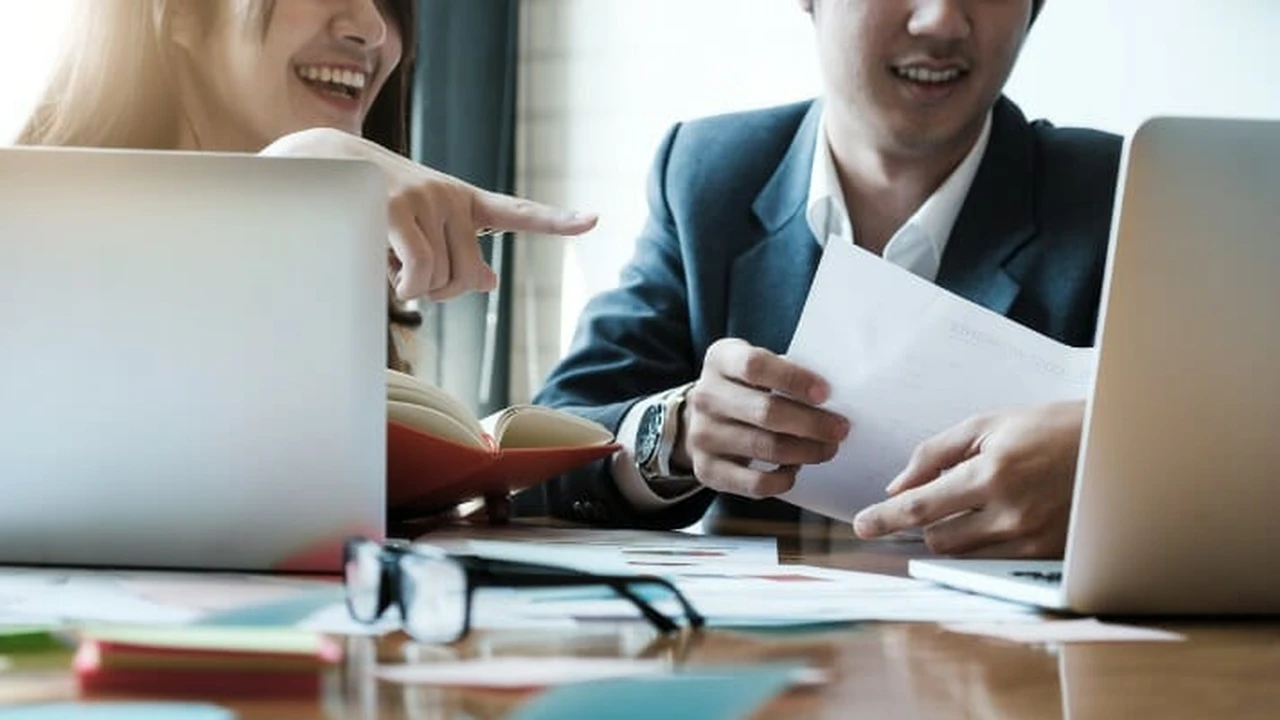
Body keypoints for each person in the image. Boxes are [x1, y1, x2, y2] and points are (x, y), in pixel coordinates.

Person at [532, 0, 1121, 558]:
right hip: (764, 654)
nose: (942, 19)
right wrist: (678, 434)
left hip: (1020, 661)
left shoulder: (1126, 196)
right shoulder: (708, 175)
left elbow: (1209, 448)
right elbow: (548, 447)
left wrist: (1113, 464)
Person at [18, 0, 597, 371]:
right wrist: (282, 188)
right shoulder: (27, 245)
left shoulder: (356, 269)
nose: (372, 28)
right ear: (183, 14)